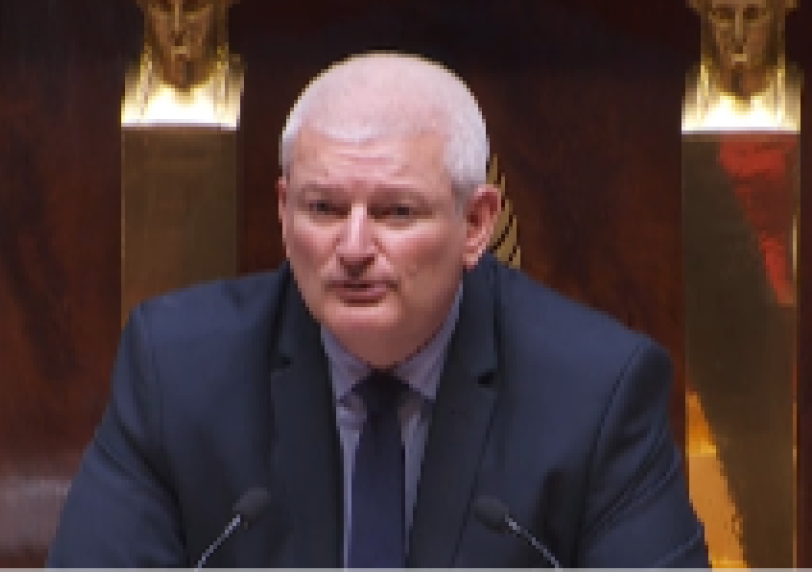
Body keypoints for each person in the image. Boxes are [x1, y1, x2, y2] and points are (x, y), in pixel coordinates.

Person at [48, 52, 708, 570]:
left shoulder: (594, 392)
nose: (354, 248)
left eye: (396, 212)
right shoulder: (177, 371)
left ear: (476, 223)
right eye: (323, 208)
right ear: (283, 212)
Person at [122, 0, 243, 127]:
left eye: (193, 6)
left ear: (219, 8)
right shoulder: (125, 91)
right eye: (163, 7)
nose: (177, 28)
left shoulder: (243, 90)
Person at [683, 0, 799, 131]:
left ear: (779, 14)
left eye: (753, 14)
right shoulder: (675, 94)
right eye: (723, 14)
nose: (738, 35)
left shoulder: (800, 97)